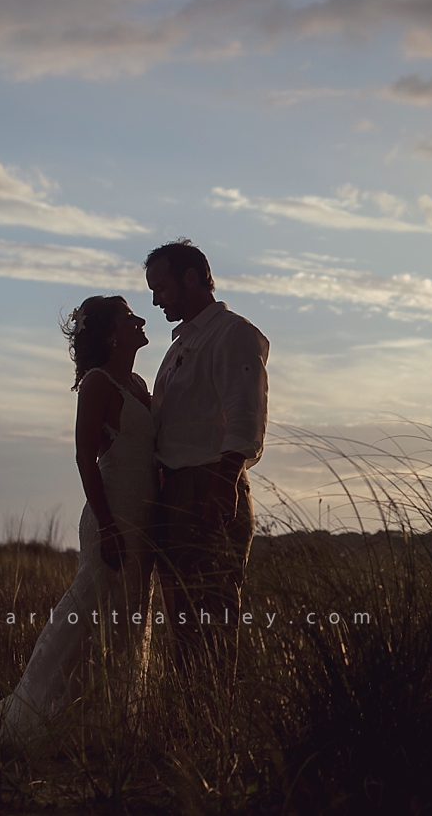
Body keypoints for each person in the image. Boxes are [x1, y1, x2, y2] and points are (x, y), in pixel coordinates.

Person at [0, 296, 156, 755]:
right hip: (111, 521)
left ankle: (102, 728)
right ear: (113, 334)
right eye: (130, 317)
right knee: (87, 621)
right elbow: (84, 457)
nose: (141, 321)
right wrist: (109, 527)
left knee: (125, 626)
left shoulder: (137, 383)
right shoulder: (97, 384)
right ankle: (33, 721)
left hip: (143, 524)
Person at [144, 238, 269, 680]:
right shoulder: (180, 347)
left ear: (191, 278)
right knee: (182, 616)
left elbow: (245, 411)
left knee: (212, 608)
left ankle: (212, 723)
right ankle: (189, 722)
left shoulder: (232, 334)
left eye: (161, 287)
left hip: (208, 485)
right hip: (177, 489)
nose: (155, 299)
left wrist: (223, 484)